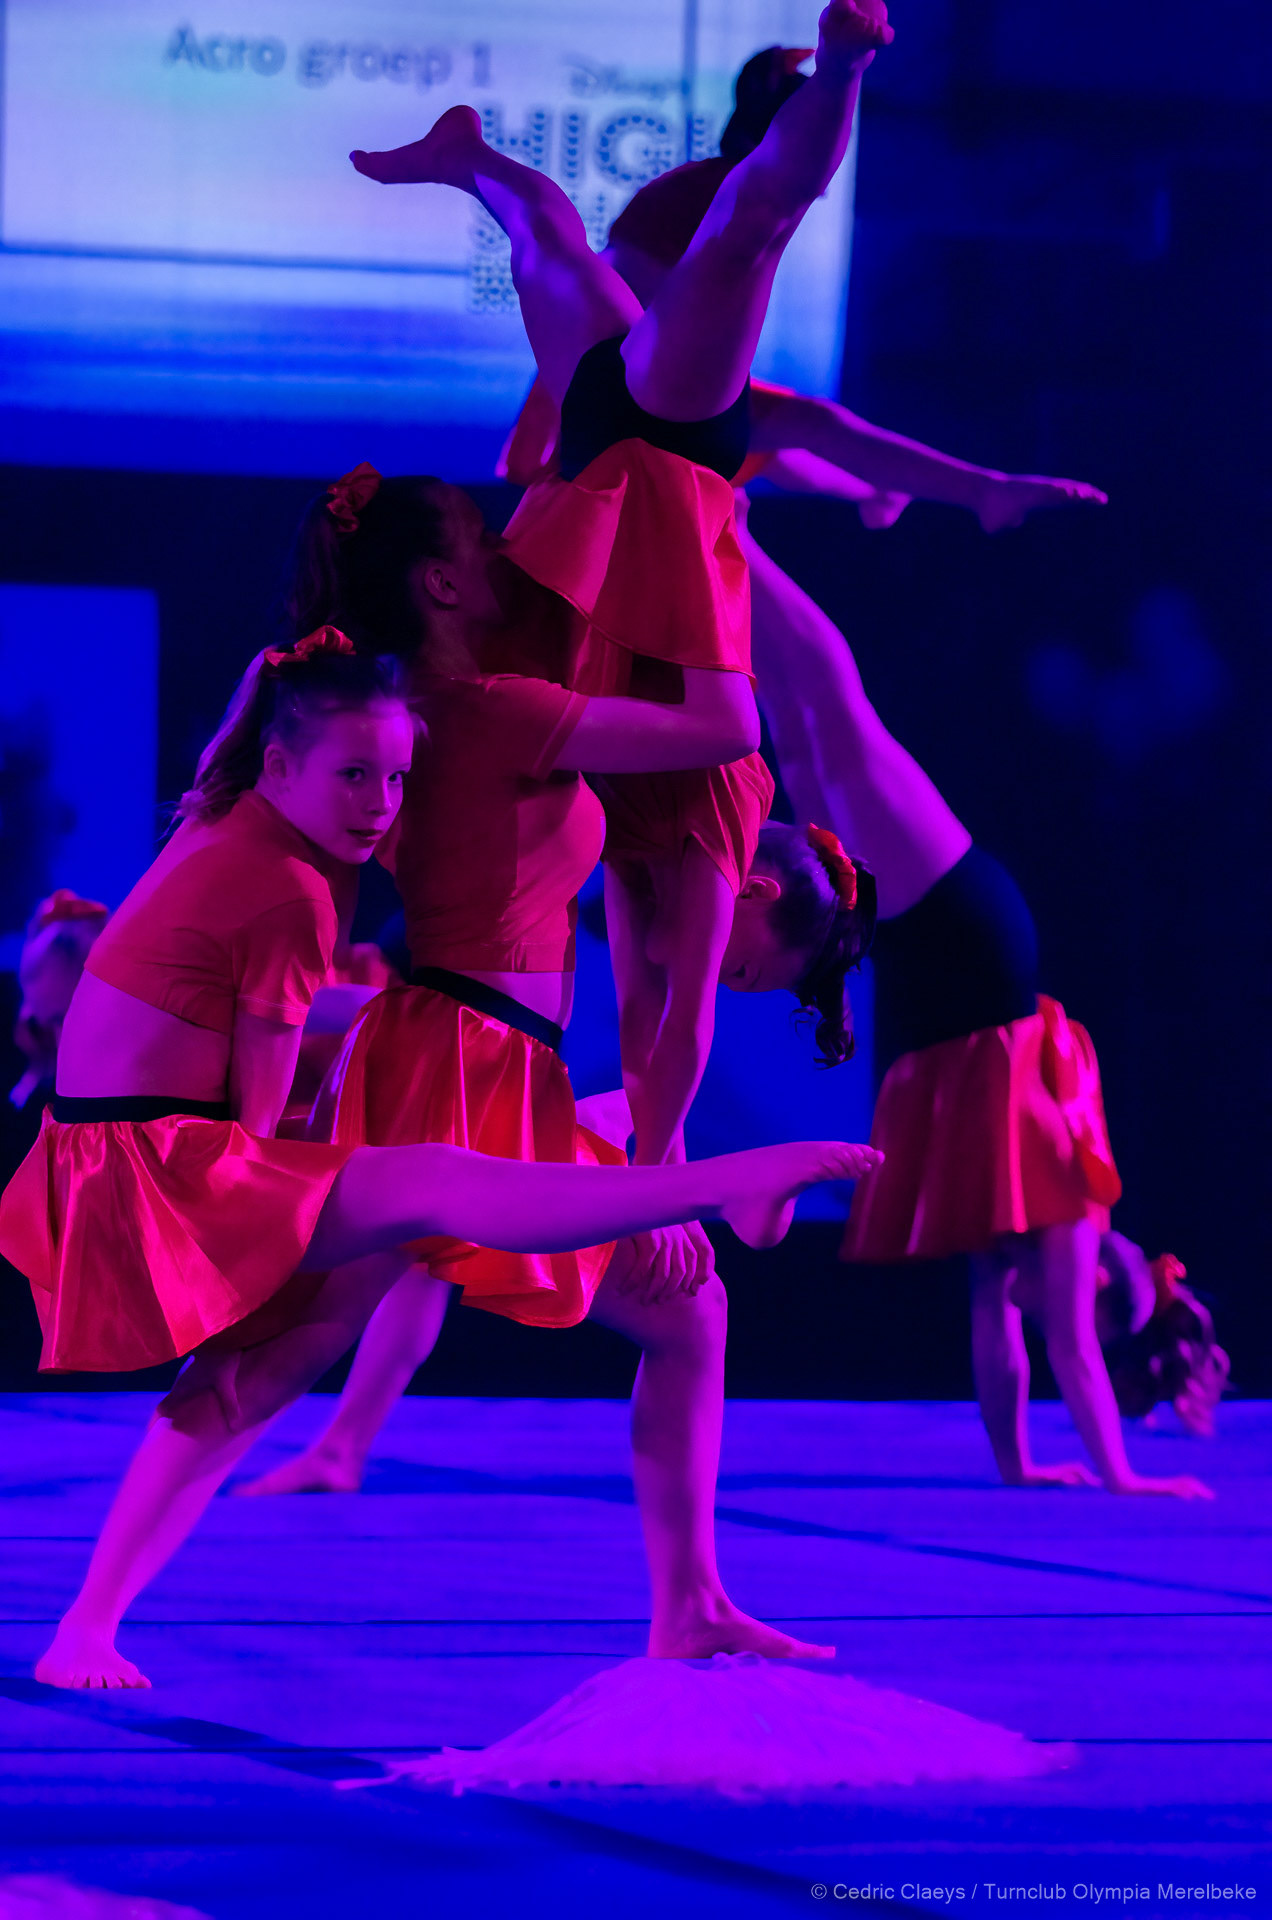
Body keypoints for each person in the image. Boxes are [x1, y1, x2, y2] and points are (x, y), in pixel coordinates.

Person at [236, 5, 890, 1658]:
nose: (744, 954)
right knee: (709, 236)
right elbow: (674, 1010)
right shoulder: (705, 782)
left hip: (615, 520)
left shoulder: (626, 778)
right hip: (638, 499)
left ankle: (683, 1597)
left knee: (564, 245)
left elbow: (664, 997)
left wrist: (931, 491)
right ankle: (803, 78)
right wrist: (660, 1173)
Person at [0, 627, 879, 1689]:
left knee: (688, 1313)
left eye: (389, 778)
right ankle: (90, 1618)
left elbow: (657, 999)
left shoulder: (568, 780)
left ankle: (690, 1602)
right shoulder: (490, 722)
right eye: (358, 777)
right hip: (442, 1058)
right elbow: (720, 720)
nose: (380, 798)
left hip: (498, 1068)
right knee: (281, 1348)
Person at [736, 500, 1212, 1500]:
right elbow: (1068, 1348)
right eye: (1074, 1301)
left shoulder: (1010, 1231)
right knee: (843, 730)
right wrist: (1123, 1478)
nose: (1040, 1307)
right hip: (968, 936)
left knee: (805, 756)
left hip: (930, 966)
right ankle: (732, 534)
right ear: (1101, 1277)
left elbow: (1000, 1340)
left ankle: (726, 559)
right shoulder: (1071, 1212)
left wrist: (1019, 1467)